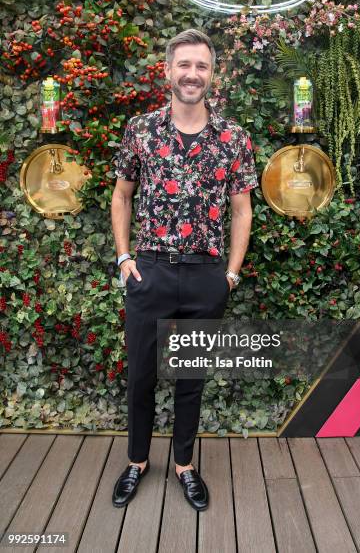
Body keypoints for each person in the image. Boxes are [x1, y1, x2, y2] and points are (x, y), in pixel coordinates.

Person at [110, 28, 258, 511]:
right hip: (149, 272)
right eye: (184, 65)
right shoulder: (141, 129)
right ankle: (136, 461)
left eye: (202, 66)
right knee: (141, 377)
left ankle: (185, 465)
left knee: (191, 378)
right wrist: (125, 257)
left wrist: (230, 274)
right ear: (168, 71)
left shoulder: (234, 137)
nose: (192, 74)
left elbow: (241, 210)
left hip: (204, 276)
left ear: (213, 75)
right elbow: (122, 195)